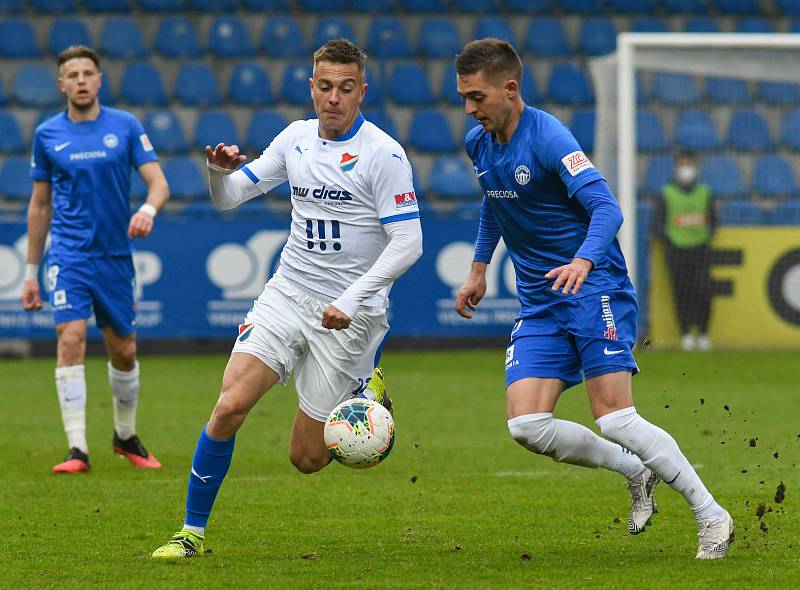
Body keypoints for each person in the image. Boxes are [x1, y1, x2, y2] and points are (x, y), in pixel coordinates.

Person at [452, 39, 732, 559]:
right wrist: (477, 269)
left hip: (592, 287)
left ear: (510, 89)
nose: (470, 109)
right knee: (527, 426)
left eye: (477, 96)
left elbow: (607, 208)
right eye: (464, 98)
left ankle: (711, 514)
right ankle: (633, 469)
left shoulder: (550, 138)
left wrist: (582, 260)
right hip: (540, 301)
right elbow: (494, 202)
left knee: (616, 418)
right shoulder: (480, 143)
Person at [151, 39, 423, 559]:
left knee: (307, 458)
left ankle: (368, 382)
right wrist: (218, 172)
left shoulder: (384, 154)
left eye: (346, 88)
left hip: (351, 317)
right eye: (325, 87)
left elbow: (409, 242)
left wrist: (352, 297)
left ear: (362, 92)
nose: (334, 98)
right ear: (311, 87)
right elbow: (229, 199)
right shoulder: (295, 139)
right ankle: (191, 534)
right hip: (289, 293)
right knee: (229, 406)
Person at [22, 45, 169, 474]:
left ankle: (125, 436)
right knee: (70, 338)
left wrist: (147, 210)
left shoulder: (124, 126)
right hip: (68, 254)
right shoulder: (47, 134)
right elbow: (39, 206)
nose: (82, 80)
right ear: (62, 84)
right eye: (74, 74)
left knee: (124, 351)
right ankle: (76, 450)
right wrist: (31, 272)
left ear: (99, 80)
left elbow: (158, 183)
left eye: (89, 72)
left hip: (115, 257)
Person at [655, 151, 716, 351]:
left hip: (701, 249)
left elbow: (713, 220)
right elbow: (658, 224)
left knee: (704, 291)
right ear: (676, 167)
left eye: (690, 165)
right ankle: (686, 334)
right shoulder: (666, 193)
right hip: (676, 251)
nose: (686, 170)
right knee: (681, 293)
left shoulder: (705, 192)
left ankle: (704, 334)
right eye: (683, 165)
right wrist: (671, 240)